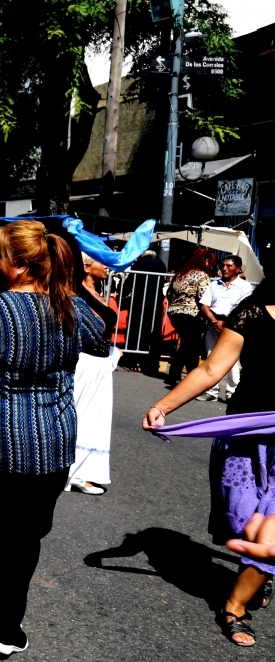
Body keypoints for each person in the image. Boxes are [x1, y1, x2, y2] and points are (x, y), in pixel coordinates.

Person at [0, 220, 105, 656]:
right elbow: (102, 334)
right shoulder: (69, 308)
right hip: (51, 439)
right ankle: (1, 620)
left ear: (22, 265)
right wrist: (67, 285)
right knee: (26, 534)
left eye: (0, 256)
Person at [143, 277, 274, 647]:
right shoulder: (251, 315)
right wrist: (161, 407)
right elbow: (211, 370)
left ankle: (234, 605)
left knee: (273, 526)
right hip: (246, 436)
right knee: (244, 519)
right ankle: (258, 572)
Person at [67, 253, 119, 495]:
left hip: (99, 361)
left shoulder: (96, 291)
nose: (107, 267)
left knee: (95, 416)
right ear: (87, 267)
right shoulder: (76, 291)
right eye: (102, 262)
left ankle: (81, 471)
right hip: (85, 360)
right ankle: (72, 471)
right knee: (81, 413)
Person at [198, 255, 252, 403]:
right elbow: (204, 304)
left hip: (232, 327)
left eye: (229, 266)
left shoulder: (245, 287)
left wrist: (226, 323)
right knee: (211, 358)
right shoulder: (214, 284)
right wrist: (215, 321)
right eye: (223, 265)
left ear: (238, 269)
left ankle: (232, 392)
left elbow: (244, 308)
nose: (224, 268)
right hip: (213, 324)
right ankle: (211, 391)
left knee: (232, 360)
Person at [165, 249, 214, 386]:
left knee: (187, 344)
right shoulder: (201, 275)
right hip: (191, 312)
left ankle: (177, 374)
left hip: (175, 312)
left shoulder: (180, 274)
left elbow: (170, 293)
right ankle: (186, 374)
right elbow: (204, 296)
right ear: (206, 260)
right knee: (191, 345)